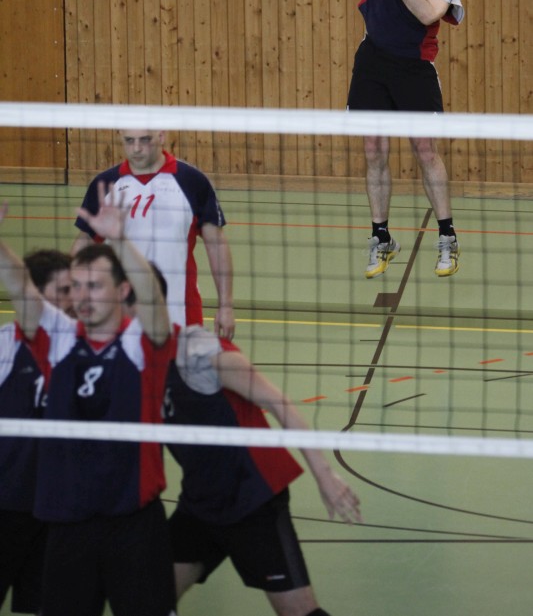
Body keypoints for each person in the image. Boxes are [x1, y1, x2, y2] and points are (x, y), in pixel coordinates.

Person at [0, 184, 177, 616]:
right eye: (76, 286)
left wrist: (119, 240)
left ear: (121, 291)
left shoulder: (140, 344)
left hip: (133, 521)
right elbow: (22, 288)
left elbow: (153, 299)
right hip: (68, 521)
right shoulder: (60, 340)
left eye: (94, 286)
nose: (81, 296)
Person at [347, 0, 482, 280]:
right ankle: (381, 237)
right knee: (373, 149)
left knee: (425, 150)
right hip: (372, 58)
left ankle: (447, 237)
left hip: (413, 67)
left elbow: (428, 14)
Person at [164, 323, 362, 616]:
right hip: (200, 502)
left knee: (300, 612)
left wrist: (324, 475)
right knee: (148, 600)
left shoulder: (200, 351)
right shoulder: (136, 364)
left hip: (253, 500)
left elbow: (277, 402)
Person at [72, 129, 235, 339]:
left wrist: (226, 306)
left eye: (145, 140)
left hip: (180, 314)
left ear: (161, 136)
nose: (136, 148)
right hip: (121, 315)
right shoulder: (106, 184)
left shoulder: (191, 181)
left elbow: (216, 244)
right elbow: (83, 244)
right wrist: (68, 298)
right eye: (129, 140)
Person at [0, 249, 72, 615]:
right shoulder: (4, 345)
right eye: (64, 290)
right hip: (5, 503)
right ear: (36, 293)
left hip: (53, 508)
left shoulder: (77, 343)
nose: (73, 299)